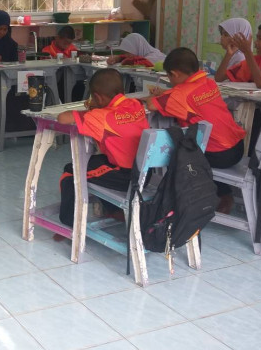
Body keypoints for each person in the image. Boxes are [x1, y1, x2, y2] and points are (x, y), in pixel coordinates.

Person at [144, 47, 245, 213]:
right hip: (237, 147)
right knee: (199, 148)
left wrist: (153, 96)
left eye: (169, 77)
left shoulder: (180, 94)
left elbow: (151, 105)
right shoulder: (208, 82)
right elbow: (188, 95)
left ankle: (179, 201)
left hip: (219, 155)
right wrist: (168, 92)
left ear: (174, 74)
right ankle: (223, 194)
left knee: (178, 154)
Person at [56, 69, 148, 228]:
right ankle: (114, 210)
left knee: (70, 172)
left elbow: (62, 118)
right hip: (145, 172)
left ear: (98, 97)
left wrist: (92, 110)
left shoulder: (100, 116)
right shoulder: (135, 104)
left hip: (125, 177)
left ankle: (69, 225)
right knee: (94, 163)